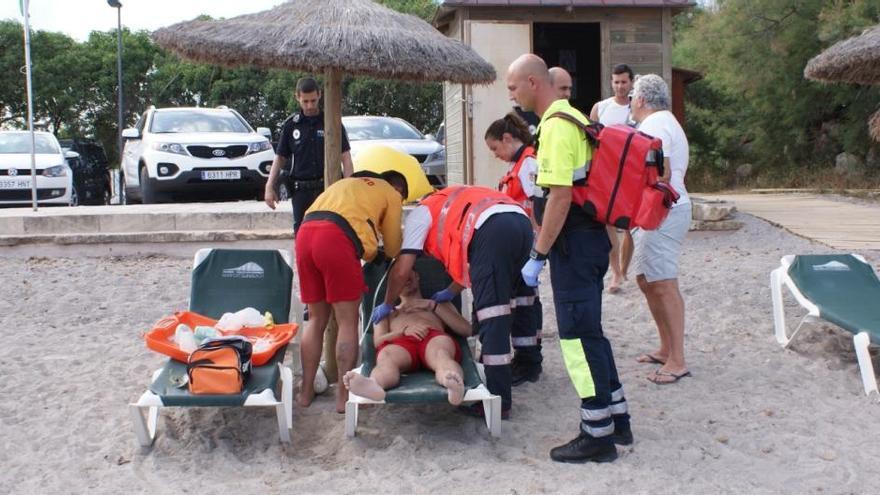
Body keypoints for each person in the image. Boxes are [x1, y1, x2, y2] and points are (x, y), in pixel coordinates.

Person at [507, 53, 630, 464]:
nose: (511, 94)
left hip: (573, 248)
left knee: (577, 340)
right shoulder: (569, 120)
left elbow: (559, 197)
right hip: (587, 244)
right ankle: (617, 418)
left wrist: (538, 254)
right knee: (591, 332)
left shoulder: (558, 128)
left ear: (532, 83)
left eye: (513, 86)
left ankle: (597, 435)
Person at [372, 185, 535, 419]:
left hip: (491, 232)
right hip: (519, 222)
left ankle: (499, 401)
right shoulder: (457, 203)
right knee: (522, 300)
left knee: (491, 317)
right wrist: (449, 290)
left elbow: (401, 269)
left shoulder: (422, 212)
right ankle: (529, 364)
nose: (407, 278)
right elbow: (469, 266)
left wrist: (390, 302)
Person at [296, 171, 409, 413]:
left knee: (316, 320)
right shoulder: (391, 193)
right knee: (347, 321)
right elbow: (392, 246)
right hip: (336, 239)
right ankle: (343, 397)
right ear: (398, 188)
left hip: (305, 234)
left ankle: (305, 393)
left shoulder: (349, 185)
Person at [628, 74, 692, 385]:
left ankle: (677, 359)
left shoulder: (654, 124)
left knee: (663, 283)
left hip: (665, 210)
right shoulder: (664, 121)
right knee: (645, 278)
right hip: (663, 210)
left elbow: (661, 169)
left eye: (632, 98)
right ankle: (667, 348)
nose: (630, 104)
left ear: (640, 100)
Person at [343, 270, 472, 405]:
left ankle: (452, 382)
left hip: (433, 338)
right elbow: (378, 341)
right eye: (399, 277)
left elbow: (466, 330)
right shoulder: (386, 312)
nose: (404, 277)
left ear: (417, 276)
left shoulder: (439, 304)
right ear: (392, 285)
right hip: (401, 344)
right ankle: (375, 384)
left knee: (440, 353)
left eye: (407, 273)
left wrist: (432, 306)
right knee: (386, 356)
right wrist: (402, 332)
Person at [484, 112, 544, 385]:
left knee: (525, 304)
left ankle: (530, 362)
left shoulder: (527, 164)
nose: (495, 154)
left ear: (507, 138)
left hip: (526, 244)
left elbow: (539, 206)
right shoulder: (520, 163)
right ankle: (526, 357)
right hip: (521, 244)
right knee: (522, 302)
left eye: (495, 148)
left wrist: (538, 250)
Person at [264, 77, 354, 235]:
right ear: (297, 97)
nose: (310, 106)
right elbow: (280, 157)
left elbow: (346, 157)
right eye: (305, 101)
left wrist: (347, 189)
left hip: (327, 189)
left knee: (330, 233)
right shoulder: (291, 125)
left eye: (313, 100)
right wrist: (269, 186)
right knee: (302, 235)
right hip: (301, 191)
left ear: (320, 95)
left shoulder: (331, 123)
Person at [590, 64, 636, 294]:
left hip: (631, 173)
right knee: (608, 223)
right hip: (606, 172)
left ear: (631, 83)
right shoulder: (600, 108)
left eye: (624, 82)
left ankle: (625, 269)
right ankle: (616, 272)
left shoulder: (637, 108)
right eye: (616, 82)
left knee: (629, 225)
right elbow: (591, 142)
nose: (620, 86)